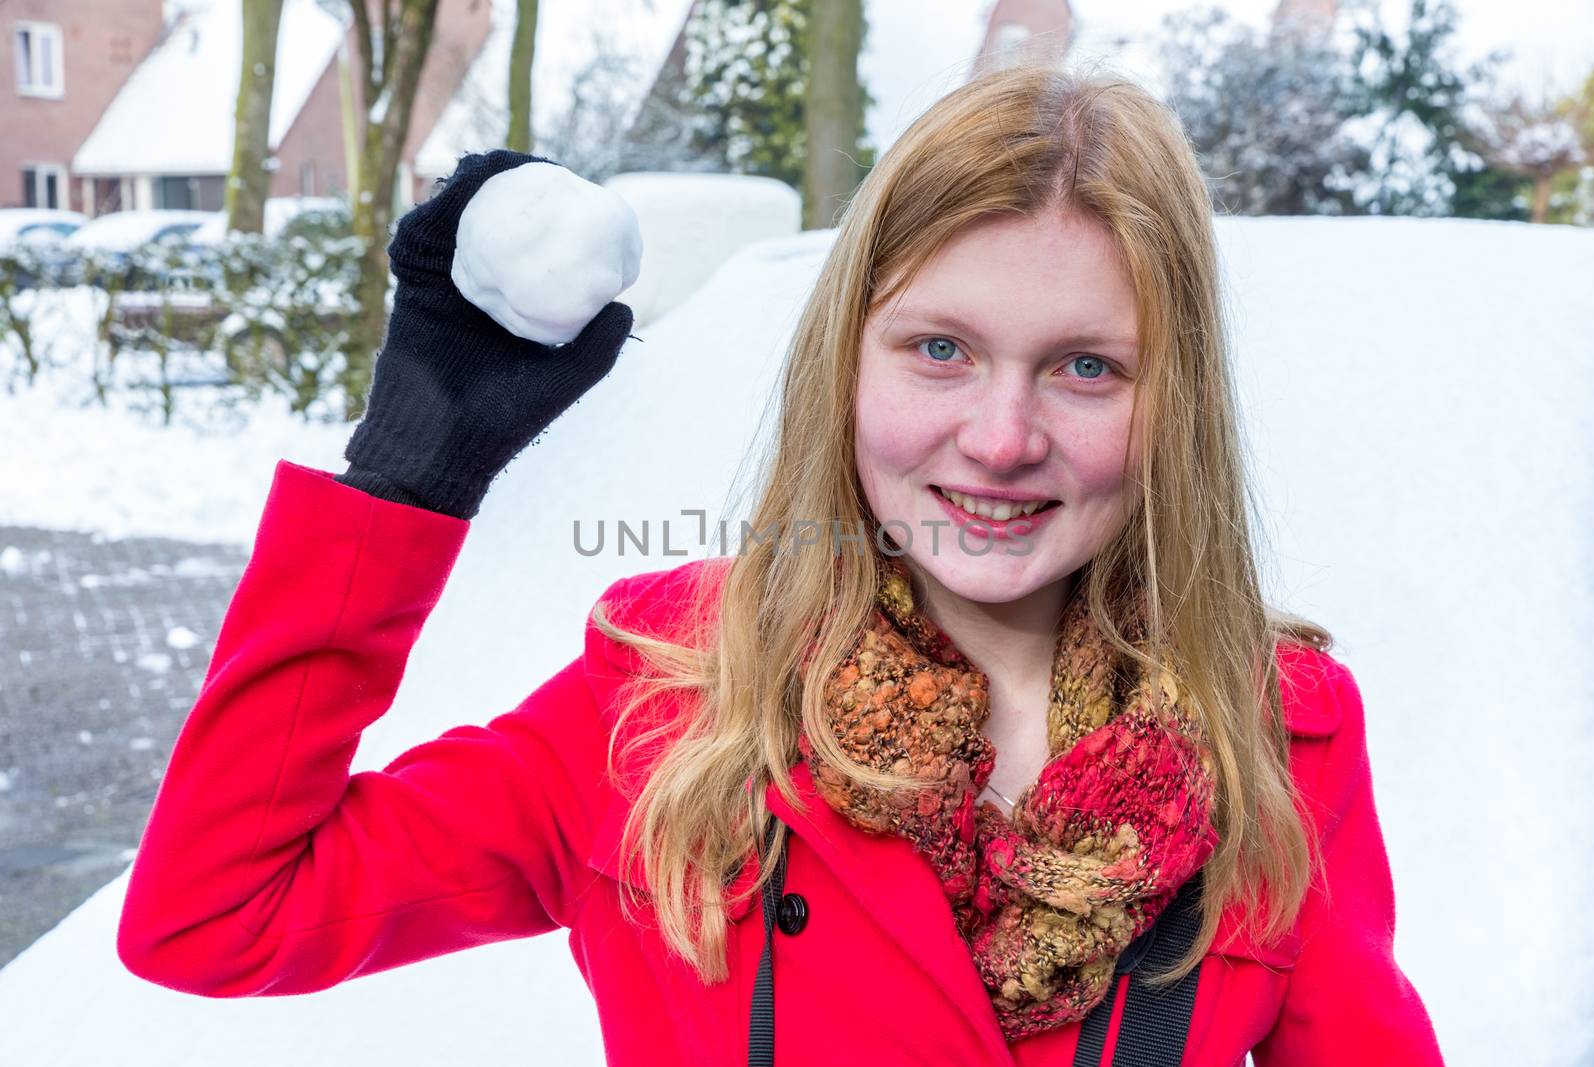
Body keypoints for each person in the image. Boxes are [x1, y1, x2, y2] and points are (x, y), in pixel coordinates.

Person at [116, 66, 1446, 1066]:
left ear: (1175, 409)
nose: (999, 437)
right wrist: (409, 476)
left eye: (1086, 368)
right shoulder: (662, 702)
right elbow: (216, 914)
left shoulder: (1275, 738)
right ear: (845, 363)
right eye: (940, 349)